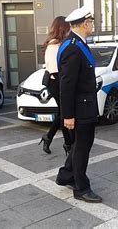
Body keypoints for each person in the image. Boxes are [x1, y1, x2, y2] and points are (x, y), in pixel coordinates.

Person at [55, 6, 102, 203]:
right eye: (91, 22)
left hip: (85, 104)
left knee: (79, 146)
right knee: (82, 147)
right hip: (80, 108)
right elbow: (66, 85)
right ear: (84, 24)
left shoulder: (76, 43)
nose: (92, 24)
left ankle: (66, 175)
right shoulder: (73, 47)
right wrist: (68, 115)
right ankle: (81, 188)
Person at [39, 16, 73, 155]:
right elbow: (55, 70)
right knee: (64, 114)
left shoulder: (59, 44)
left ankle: (49, 137)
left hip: (59, 81)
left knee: (61, 114)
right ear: (62, 28)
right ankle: (68, 144)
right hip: (56, 82)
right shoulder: (53, 46)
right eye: (68, 27)